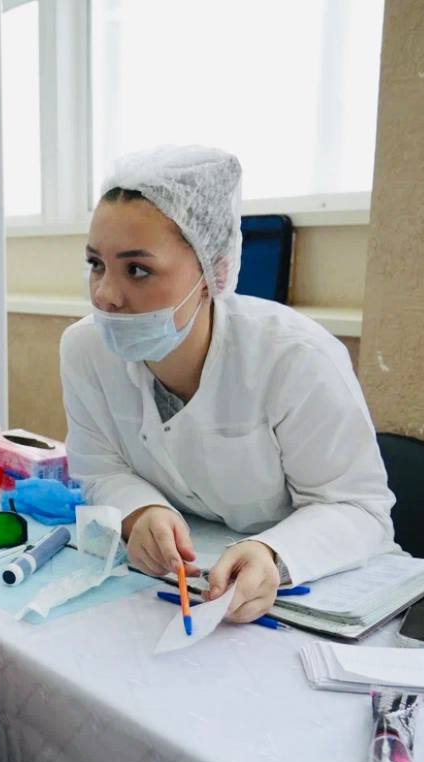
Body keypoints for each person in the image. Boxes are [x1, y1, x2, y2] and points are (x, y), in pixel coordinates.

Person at [60, 144, 398, 623]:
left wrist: (272, 554)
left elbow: (359, 509)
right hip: (186, 584)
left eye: (138, 269)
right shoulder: (85, 350)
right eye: (96, 264)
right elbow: (99, 470)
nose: (105, 295)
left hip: (317, 591)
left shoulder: (295, 358)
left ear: (213, 273)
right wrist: (141, 512)